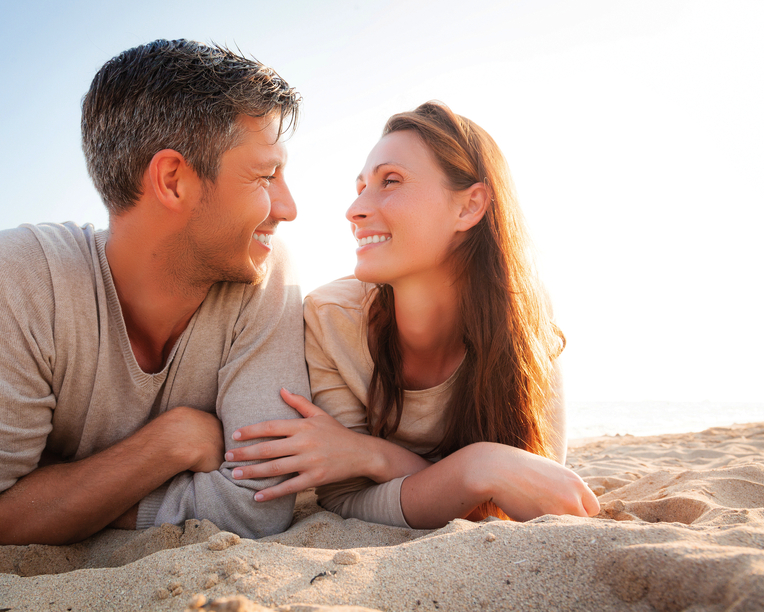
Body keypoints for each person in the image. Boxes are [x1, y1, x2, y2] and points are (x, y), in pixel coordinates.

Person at [0, 39, 310, 546]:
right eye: (266, 175)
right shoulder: (22, 279)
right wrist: (169, 444)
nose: (288, 208)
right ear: (173, 180)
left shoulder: (264, 271)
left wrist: (58, 494)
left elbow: (257, 508)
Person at [226, 101, 600, 528]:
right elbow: (344, 498)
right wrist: (481, 472)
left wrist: (374, 456)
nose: (355, 210)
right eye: (360, 186)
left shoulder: (525, 318)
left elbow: (540, 495)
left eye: (390, 181)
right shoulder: (330, 319)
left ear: (469, 207)